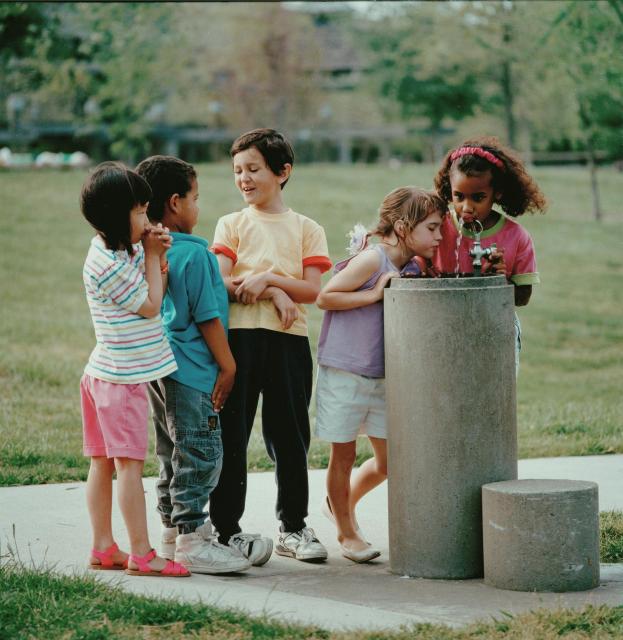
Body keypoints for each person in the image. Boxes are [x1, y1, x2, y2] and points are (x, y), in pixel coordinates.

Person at [210, 128, 332, 562]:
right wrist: (273, 291)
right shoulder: (231, 224)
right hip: (238, 345)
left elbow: (312, 291)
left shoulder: (307, 229)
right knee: (232, 437)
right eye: (237, 171)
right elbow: (218, 283)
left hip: (288, 344)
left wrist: (272, 280)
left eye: (253, 169)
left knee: (290, 438)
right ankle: (226, 531)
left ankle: (293, 528)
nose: (243, 178)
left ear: (283, 172)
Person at [315, 187, 446, 563]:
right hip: (346, 371)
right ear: (404, 227)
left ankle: (339, 505)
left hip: (383, 376)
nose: (439, 237)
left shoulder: (412, 264)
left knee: (388, 462)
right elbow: (326, 297)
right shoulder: (373, 261)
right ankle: (346, 531)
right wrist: (372, 295)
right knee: (343, 456)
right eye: (433, 228)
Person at [135, 155, 252, 574]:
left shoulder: (151, 252)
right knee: (201, 451)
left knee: (171, 451)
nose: (198, 207)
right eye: (195, 198)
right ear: (175, 203)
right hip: (193, 371)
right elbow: (206, 317)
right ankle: (192, 539)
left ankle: (170, 532)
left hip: (160, 368)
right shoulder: (197, 255)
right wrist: (229, 366)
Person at [79, 161, 189, 578]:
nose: (147, 220)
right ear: (115, 214)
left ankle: (104, 547)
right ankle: (143, 553)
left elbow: (144, 269)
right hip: (120, 380)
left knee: (102, 463)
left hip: (102, 375)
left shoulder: (110, 246)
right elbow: (150, 305)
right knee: (127, 466)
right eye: (141, 212)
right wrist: (155, 256)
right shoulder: (106, 267)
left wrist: (150, 248)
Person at [432, 137, 547, 369]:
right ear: (449, 189)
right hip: (441, 326)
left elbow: (523, 297)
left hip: (495, 328)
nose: (467, 207)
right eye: (458, 196)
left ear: (498, 193)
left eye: (478, 197)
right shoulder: (436, 228)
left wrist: (500, 280)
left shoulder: (516, 237)